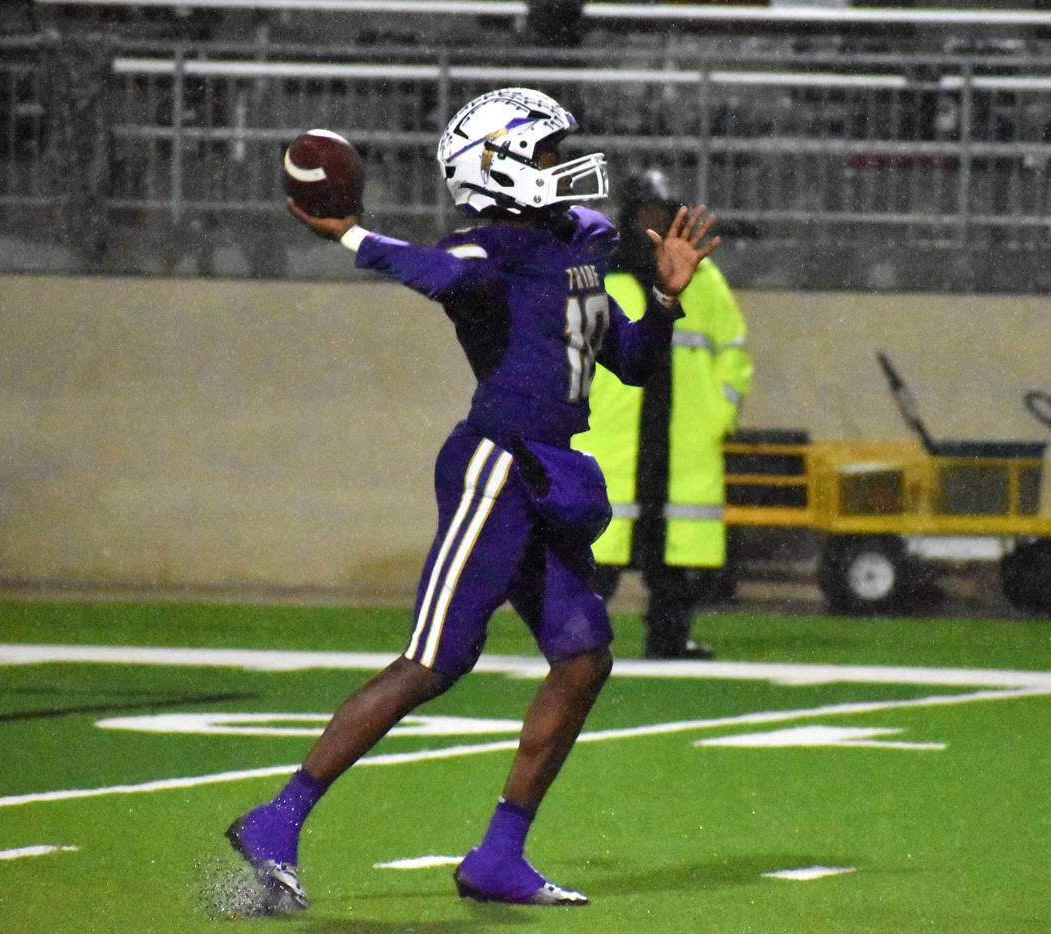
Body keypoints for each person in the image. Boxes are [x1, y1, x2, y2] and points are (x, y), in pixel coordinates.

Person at [225, 88, 721, 913]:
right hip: (495, 464)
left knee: (584, 656)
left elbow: (631, 360)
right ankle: (276, 821)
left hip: (547, 473)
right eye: (549, 154)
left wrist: (665, 299)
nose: (567, 168)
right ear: (501, 167)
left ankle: (499, 856)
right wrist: (349, 232)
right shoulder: (484, 251)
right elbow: (431, 269)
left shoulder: (584, 242)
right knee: (435, 661)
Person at [573, 169, 752, 660]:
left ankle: (670, 639)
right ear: (628, 216)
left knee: (674, 558)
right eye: (645, 213)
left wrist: (720, 417)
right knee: (597, 555)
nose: (653, 223)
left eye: (662, 212)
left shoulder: (703, 276)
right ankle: (577, 643)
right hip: (614, 439)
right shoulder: (596, 275)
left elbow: (732, 354)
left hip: (682, 440)